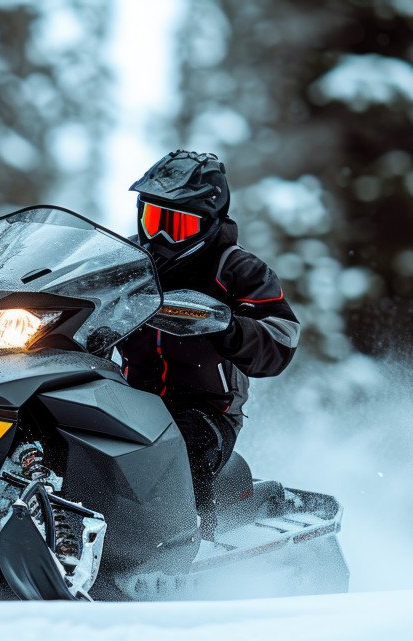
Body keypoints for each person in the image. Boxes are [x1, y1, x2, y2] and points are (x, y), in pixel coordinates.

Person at [117, 150, 301, 541]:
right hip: (125, 395)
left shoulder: (238, 270)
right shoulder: (124, 260)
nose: (161, 237)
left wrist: (229, 328)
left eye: (177, 225)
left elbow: (282, 337)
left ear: (208, 224)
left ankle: (186, 546)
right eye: (153, 219)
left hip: (206, 409)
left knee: (179, 450)